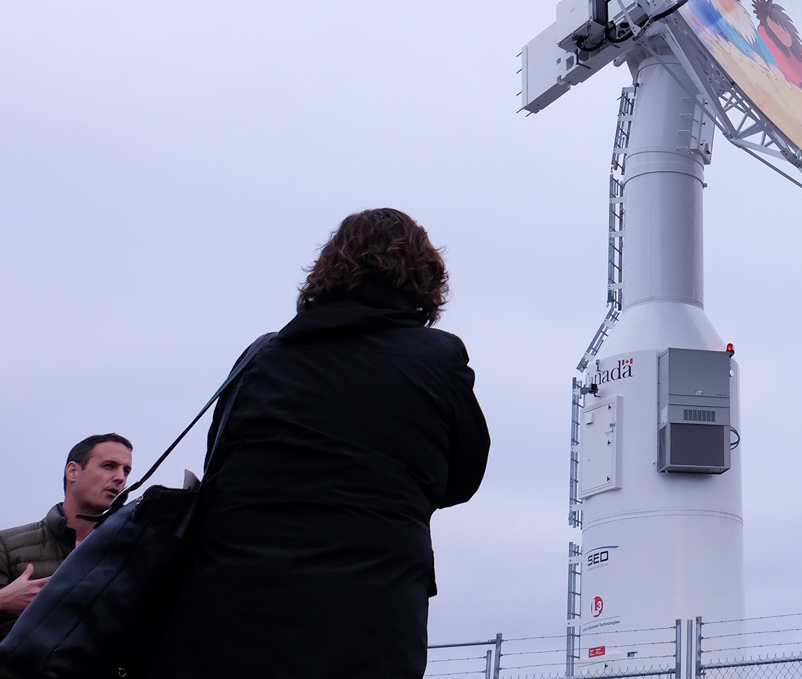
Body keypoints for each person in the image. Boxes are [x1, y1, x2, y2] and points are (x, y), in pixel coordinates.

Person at [152, 208, 490, 678]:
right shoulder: (439, 358)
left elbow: (219, 460)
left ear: (328, 269)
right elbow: (464, 477)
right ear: (425, 279)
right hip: (370, 617)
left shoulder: (263, 355)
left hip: (230, 607)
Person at [0, 434, 133, 640]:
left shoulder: (130, 553)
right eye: (109, 466)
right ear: (73, 471)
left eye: (126, 471)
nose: (120, 478)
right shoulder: (7, 544)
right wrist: (2, 601)